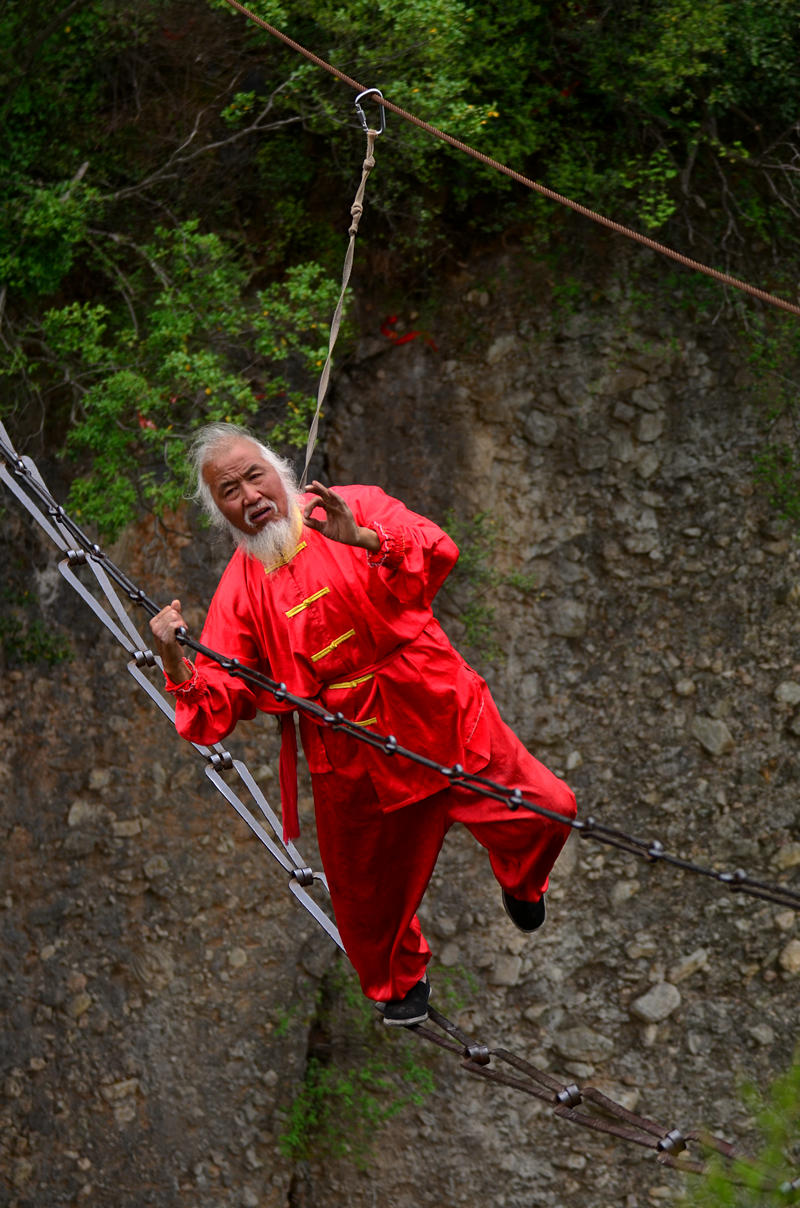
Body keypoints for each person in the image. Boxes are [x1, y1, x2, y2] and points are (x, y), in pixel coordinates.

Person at [150, 422, 577, 1026]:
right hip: (351, 755)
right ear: (221, 512)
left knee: (547, 808)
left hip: (437, 709)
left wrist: (368, 539)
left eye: (254, 476)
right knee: (366, 901)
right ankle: (399, 984)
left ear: (280, 473)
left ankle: (522, 880)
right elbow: (214, 705)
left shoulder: (357, 505)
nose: (249, 495)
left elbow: (435, 551)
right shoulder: (239, 590)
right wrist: (172, 657)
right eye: (229, 490)